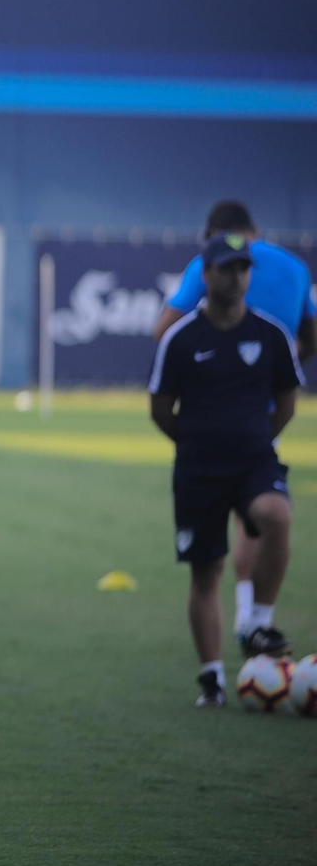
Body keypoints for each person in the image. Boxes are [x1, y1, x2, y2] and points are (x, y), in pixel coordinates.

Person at [148, 232, 303, 705]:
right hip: (198, 471)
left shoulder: (271, 334)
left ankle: (257, 622)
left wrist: (256, 440)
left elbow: (286, 403)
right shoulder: (181, 338)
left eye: (242, 268)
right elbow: (160, 408)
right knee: (206, 572)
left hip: (255, 461)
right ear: (206, 273)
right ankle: (212, 677)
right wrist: (196, 444)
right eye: (225, 268)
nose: (235, 277)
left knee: (277, 515)